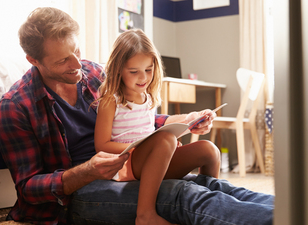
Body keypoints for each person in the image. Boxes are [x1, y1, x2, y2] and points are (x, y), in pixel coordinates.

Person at [0, 7, 274, 225]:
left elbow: (136, 120)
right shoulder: (16, 107)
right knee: (183, 196)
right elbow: (28, 188)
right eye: (62, 60)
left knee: (210, 184)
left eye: (76, 50)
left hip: (132, 164)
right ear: (34, 60)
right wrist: (85, 171)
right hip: (81, 193)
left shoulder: (93, 74)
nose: (78, 64)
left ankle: (301, 210)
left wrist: (185, 120)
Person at [94, 29, 221, 225]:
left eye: (149, 69)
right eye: (134, 71)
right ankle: (145, 215)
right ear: (118, 69)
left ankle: (209, 204)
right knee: (165, 139)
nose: (143, 77)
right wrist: (144, 146)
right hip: (126, 164)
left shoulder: (149, 97)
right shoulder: (111, 100)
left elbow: (153, 128)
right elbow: (102, 146)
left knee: (209, 150)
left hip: (153, 159)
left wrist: (193, 121)